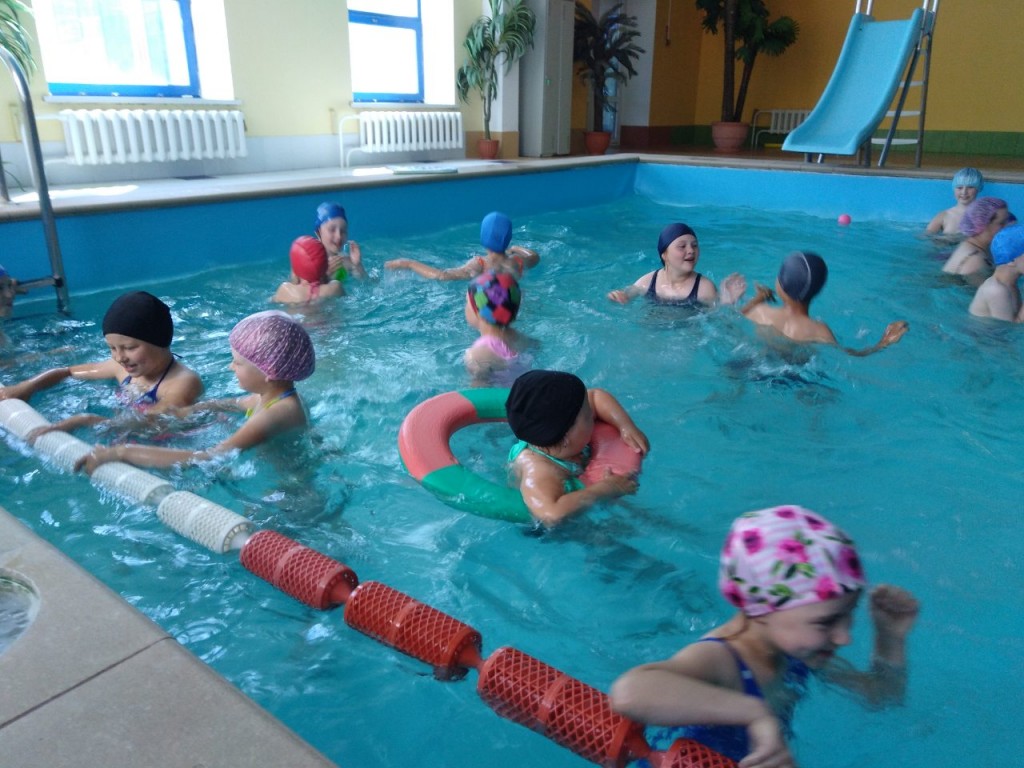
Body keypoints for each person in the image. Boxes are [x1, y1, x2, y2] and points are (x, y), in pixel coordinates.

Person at [610, 505, 920, 768]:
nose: (844, 637)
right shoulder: (721, 659)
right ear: (763, 610)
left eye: (849, 613)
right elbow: (630, 692)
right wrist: (755, 713)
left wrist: (890, 639)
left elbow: (881, 698)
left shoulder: (800, 653)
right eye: (826, 622)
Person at [73, 310, 315, 473]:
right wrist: (181, 413)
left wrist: (121, 452)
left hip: (292, 495)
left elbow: (210, 457)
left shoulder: (276, 414)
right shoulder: (272, 397)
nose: (230, 367)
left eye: (238, 363)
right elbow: (228, 404)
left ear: (269, 371)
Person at [0, 291, 203, 428]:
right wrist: (27, 386)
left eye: (130, 348)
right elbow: (67, 371)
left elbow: (152, 421)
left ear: (160, 341)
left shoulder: (182, 382)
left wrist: (88, 421)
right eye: (112, 348)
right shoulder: (120, 368)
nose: (120, 357)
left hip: (170, 446)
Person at [505, 369, 649, 527]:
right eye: (588, 416)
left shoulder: (560, 431)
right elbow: (550, 515)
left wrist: (625, 426)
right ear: (567, 435)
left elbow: (596, 396)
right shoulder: (539, 470)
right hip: (556, 531)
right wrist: (606, 488)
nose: (593, 415)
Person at [740, 251, 908, 356]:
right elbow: (850, 355)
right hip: (793, 375)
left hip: (756, 361)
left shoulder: (761, 311)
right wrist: (883, 342)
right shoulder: (819, 330)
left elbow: (737, 315)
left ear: (780, 285)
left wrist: (759, 297)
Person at [607, 223, 746, 306]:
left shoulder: (703, 288)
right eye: (682, 246)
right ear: (664, 254)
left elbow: (718, 319)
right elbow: (627, 295)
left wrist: (727, 302)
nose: (691, 251)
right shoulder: (647, 282)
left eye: (694, 245)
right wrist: (619, 297)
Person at [384, 211, 539, 281]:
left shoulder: (480, 264)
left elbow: (442, 276)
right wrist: (515, 248)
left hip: (489, 308)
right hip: (515, 305)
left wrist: (409, 263)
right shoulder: (517, 262)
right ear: (509, 238)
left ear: (483, 238)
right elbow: (534, 256)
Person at [464, 269, 529, 380]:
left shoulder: (478, 354)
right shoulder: (523, 340)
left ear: (478, 312)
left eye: (467, 302)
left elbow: (479, 388)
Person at [940, 197, 1010, 278]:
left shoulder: (973, 245)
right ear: (983, 224)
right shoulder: (975, 260)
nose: (1007, 227)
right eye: (1001, 223)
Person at [968, 224, 1024, 322]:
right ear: (1012, 260)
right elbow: (1008, 329)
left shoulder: (1010, 284)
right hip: (982, 332)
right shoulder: (996, 290)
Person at [272, 236, 344, 304]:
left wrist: (294, 277)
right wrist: (325, 276)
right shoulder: (335, 288)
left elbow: (271, 302)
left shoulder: (285, 290)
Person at [926, 166, 984, 237]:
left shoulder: (985, 216)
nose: (964, 192)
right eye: (959, 187)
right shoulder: (944, 216)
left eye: (970, 187)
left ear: (978, 188)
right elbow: (926, 237)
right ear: (954, 189)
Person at [313, 202, 365, 280]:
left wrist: (357, 265)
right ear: (318, 232)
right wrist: (324, 277)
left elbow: (368, 284)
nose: (339, 236)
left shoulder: (346, 262)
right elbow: (298, 286)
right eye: (332, 230)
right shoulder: (309, 263)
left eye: (343, 231)